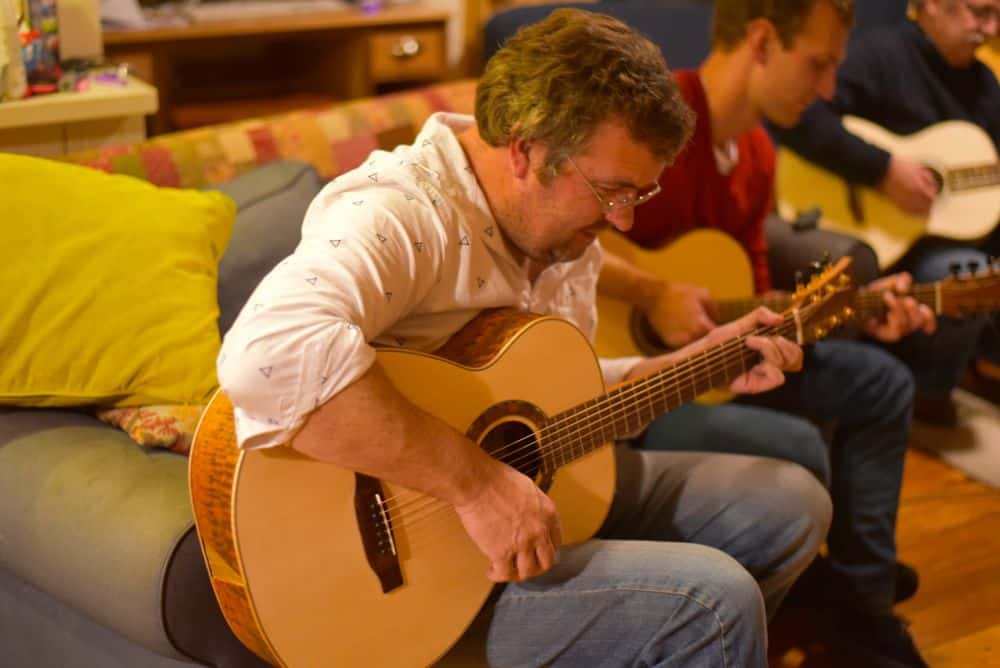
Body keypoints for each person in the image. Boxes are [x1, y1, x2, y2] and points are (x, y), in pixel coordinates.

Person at [216, 9, 831, 667]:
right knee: (714, 601)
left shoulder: (565, 236)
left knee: (791, 504)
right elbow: (267, 354)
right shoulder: (402, 213)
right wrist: (476, 486)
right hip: (406, 574)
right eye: (611, 191)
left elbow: (555, 396)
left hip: (527, 513)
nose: (623, 220)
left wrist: (695, 363)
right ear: (524, 149)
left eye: (640, 194)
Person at [597, 1, 936, 666]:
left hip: (714, 370)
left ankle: (861, 604)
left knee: (883, 383)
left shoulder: (755, 152)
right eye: (818, 64)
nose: (829, 89)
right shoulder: (651, 121)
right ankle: (817, 589)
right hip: (624, 386)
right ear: (760, 42)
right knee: (799, 445)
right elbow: (566, 242)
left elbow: (752, 297)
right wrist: (652, 293)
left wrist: (854, 311)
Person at [773, 0, 1000, 424]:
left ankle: (941, 391)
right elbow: (803, 119)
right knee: (967, 270)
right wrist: (883, 170)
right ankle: (919, 397)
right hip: (866, 235)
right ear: (933, 5)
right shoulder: (878, 55)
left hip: (940, 239)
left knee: (978, 271)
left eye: (997, 17)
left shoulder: (986, 85)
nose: (989, 29)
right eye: (979, 12)